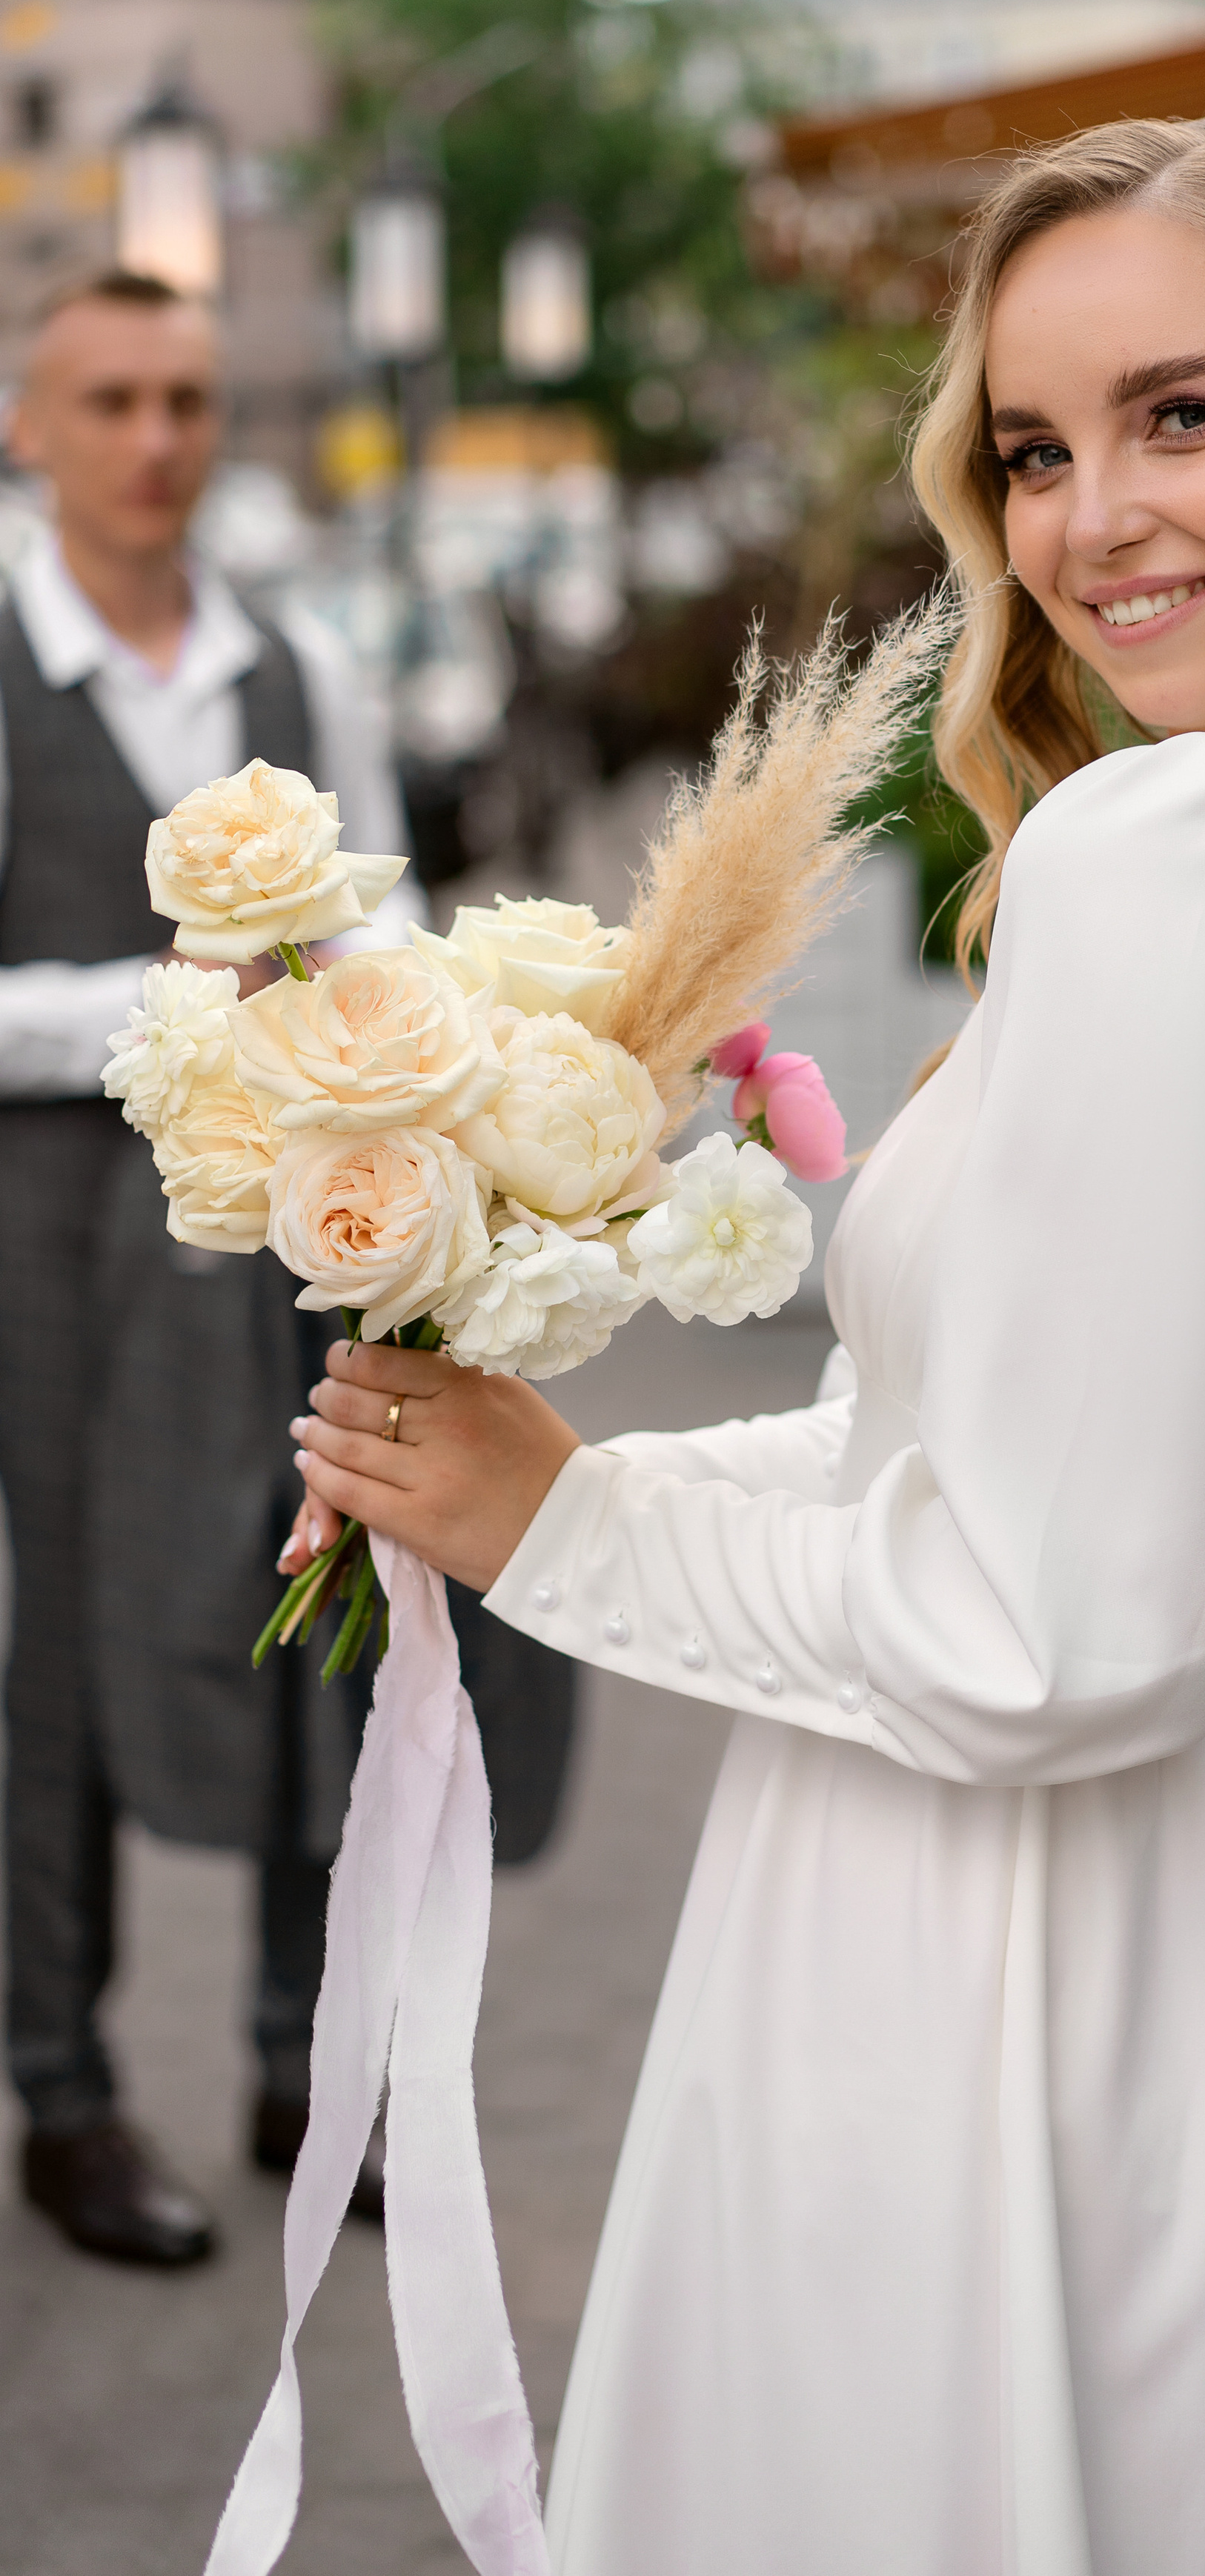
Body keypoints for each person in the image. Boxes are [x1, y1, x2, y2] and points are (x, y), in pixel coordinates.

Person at [284, 112, 1205, 2571]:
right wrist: (542, 1471)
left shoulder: (1181, 859)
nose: (1093, 519)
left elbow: (1051, 1637)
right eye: (1031, 450)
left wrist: (571, 1531)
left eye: (1184, 416)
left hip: (1021, 1974)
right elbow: (1004, 1459)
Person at [0, 270, 574, 2270]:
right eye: (111, 398)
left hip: (280, 1209)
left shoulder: (297, 665)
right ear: (33, 426)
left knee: (316, 1573)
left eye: (183, 396)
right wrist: (157, 1009)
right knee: (61, 1636)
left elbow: (385, 906)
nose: (155, 435)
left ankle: (293, 2061)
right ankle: (61, 2097)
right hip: (52, 1224)